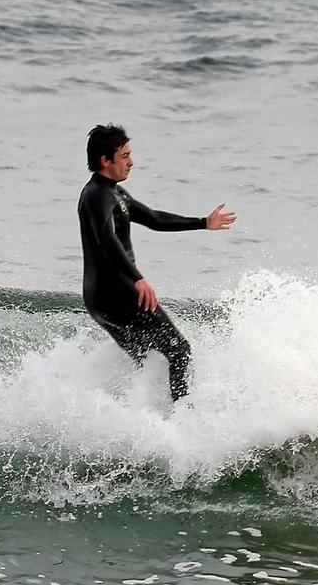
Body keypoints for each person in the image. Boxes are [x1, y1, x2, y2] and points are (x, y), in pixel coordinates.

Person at [76, 124, 234, 401]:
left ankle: (143, 421)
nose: (131, 161)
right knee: (180, 350)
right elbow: (106, 239)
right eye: (124, 155)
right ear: (105, 160)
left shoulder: (113, 193)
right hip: (119, 294)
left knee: (147, 360)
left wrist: (204, 223)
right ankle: (186, 421)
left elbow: (153, 219)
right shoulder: (97, 195)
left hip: (100, 300)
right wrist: (137, 278)